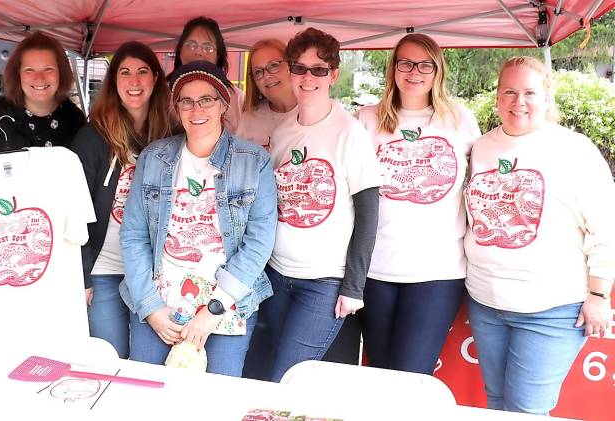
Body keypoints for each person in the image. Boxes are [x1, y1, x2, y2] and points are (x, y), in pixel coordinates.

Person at [464, 56, 615, 414]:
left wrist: (598, 294)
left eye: (530, 92)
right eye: (509, 92)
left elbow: (605, 226)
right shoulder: (481, 147)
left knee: (526, 410)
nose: (519, 102)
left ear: (546, 97)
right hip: (486, 301)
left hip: (551, 309)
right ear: (497, 97)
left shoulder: (574, 150)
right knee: (497, 403)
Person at [119, 60, 277, 376]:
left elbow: (259, 242)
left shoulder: (253, 161)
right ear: (176, 108)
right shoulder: (154, 157)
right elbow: (133, 235)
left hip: (225, 307)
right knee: (147, 396)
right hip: (159, 303)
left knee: (215, 402)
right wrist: (151, 308)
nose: (196, 109)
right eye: (186, 101)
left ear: (222, 103)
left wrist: (213, 310)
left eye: (206, 99)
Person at [244, 28, 382, 383]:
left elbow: (368, 215)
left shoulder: (350, 133)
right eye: (300, 68)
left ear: (333, 74)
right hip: (276, 275)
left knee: (286, 376)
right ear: (290, 71)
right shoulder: (285, 129)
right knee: (265, 366)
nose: (308, 77)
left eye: (318, 69)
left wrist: (354, 287)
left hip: (323, 282)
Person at [354, 34, 481, 374]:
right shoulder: (366, 120)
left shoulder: (459, 120)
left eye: (425, 64)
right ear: (393, 69)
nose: (415, 72)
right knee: (380, 369)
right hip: (375, 268)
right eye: (406, 63)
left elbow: (485, 183)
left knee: (411, 375)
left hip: (437, 272)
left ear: (438, 71)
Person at [69, 41, 173, 358]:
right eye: (125, 72)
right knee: (110, 357)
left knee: (147, 361)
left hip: (152, 273)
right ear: (114, 81)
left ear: (155, 79)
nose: (134, 80)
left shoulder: (170, 135)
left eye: (142, 71)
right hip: (103, 268)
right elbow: (74, 210)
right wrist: (81, 275)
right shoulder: (93, 136)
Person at [0, 31, 85, 155]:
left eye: (48, 69)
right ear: (17, 74)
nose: (39, 78)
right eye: (29, 70)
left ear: (61, 73)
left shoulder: (76, 122)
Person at [172, 16, 244, 134]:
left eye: (208, 48)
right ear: (180, 52)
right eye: (191, 45)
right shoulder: (163, 94)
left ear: (218, 56)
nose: (198, 52)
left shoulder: (236, 98)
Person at [236, 38, 297, 148]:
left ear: (291, 65)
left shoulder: (313, 112)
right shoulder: (249, 119)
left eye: (274, 65)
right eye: (258, 72)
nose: (266, 76)